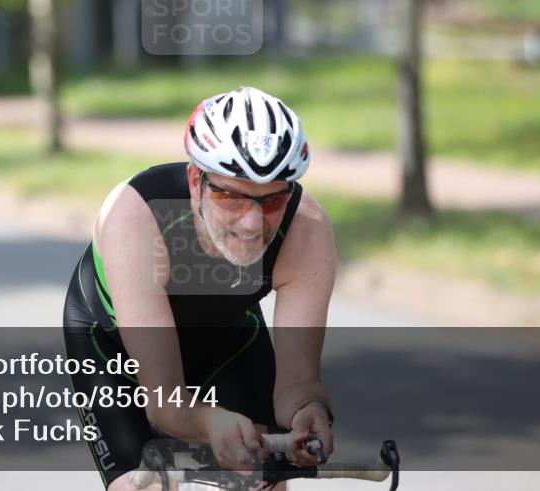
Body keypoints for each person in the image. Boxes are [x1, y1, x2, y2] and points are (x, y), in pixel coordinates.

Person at [63, 87, 336, 490]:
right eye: (231, 197)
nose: (251, 223)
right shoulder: (138, 218)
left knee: (265, 481)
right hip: (113, 348)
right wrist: (209, 422)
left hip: (227, 339)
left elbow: (298, 383)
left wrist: (307, 411)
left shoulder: (307, 229)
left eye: (272, 201)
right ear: (196, 181)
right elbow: (164, 404)